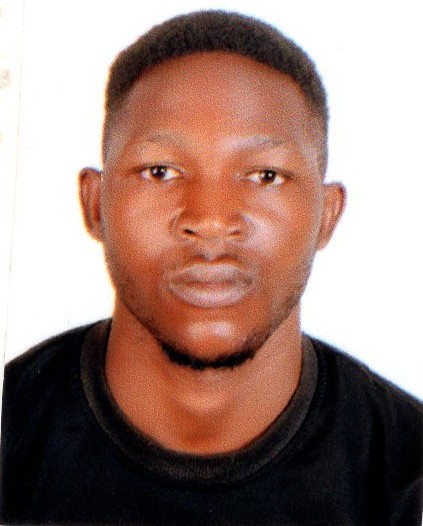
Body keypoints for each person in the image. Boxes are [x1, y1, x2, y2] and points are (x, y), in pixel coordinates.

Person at [1, 9, 422, 526]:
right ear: (95, 205)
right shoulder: (12, 431)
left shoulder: (407, 476)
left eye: (265, 176)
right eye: (161, 171)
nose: (211, 220)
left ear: (326, 216)